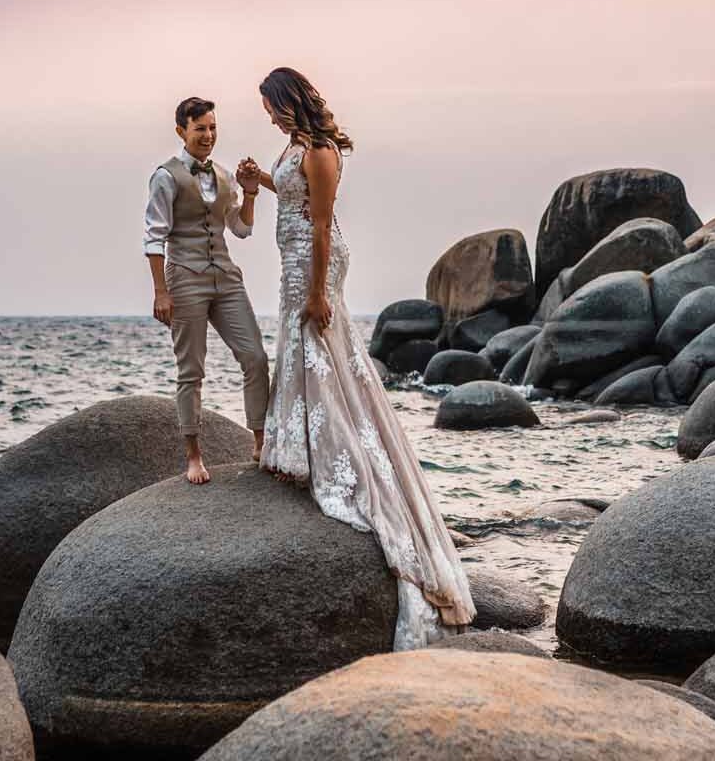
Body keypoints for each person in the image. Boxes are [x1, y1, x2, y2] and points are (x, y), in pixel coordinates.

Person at [235, 66, 475, 649]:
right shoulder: (296, 148)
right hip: (297, 257)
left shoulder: (319, 151)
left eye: (269, 104)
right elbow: (294, 198)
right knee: (303, 346)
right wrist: (262, 180)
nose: (265, 113)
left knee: (318, 341)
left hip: (315, 261)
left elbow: (320, 226)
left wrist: (319, 292)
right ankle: (299, 445)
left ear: (287, 101)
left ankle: (328, 455)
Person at [144, 96, 271, 484]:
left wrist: (249, 193)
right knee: (191, 370)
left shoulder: (223, 174)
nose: (208, 135)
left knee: (255, 357)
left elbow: (242, 228)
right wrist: (161, 292)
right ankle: (194, 457)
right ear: (182, 131)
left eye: (212, 128)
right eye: (200, 128)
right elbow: (154, 238)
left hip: (226, 277)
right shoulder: (165, 176)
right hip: (184, 277)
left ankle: (260, 443)